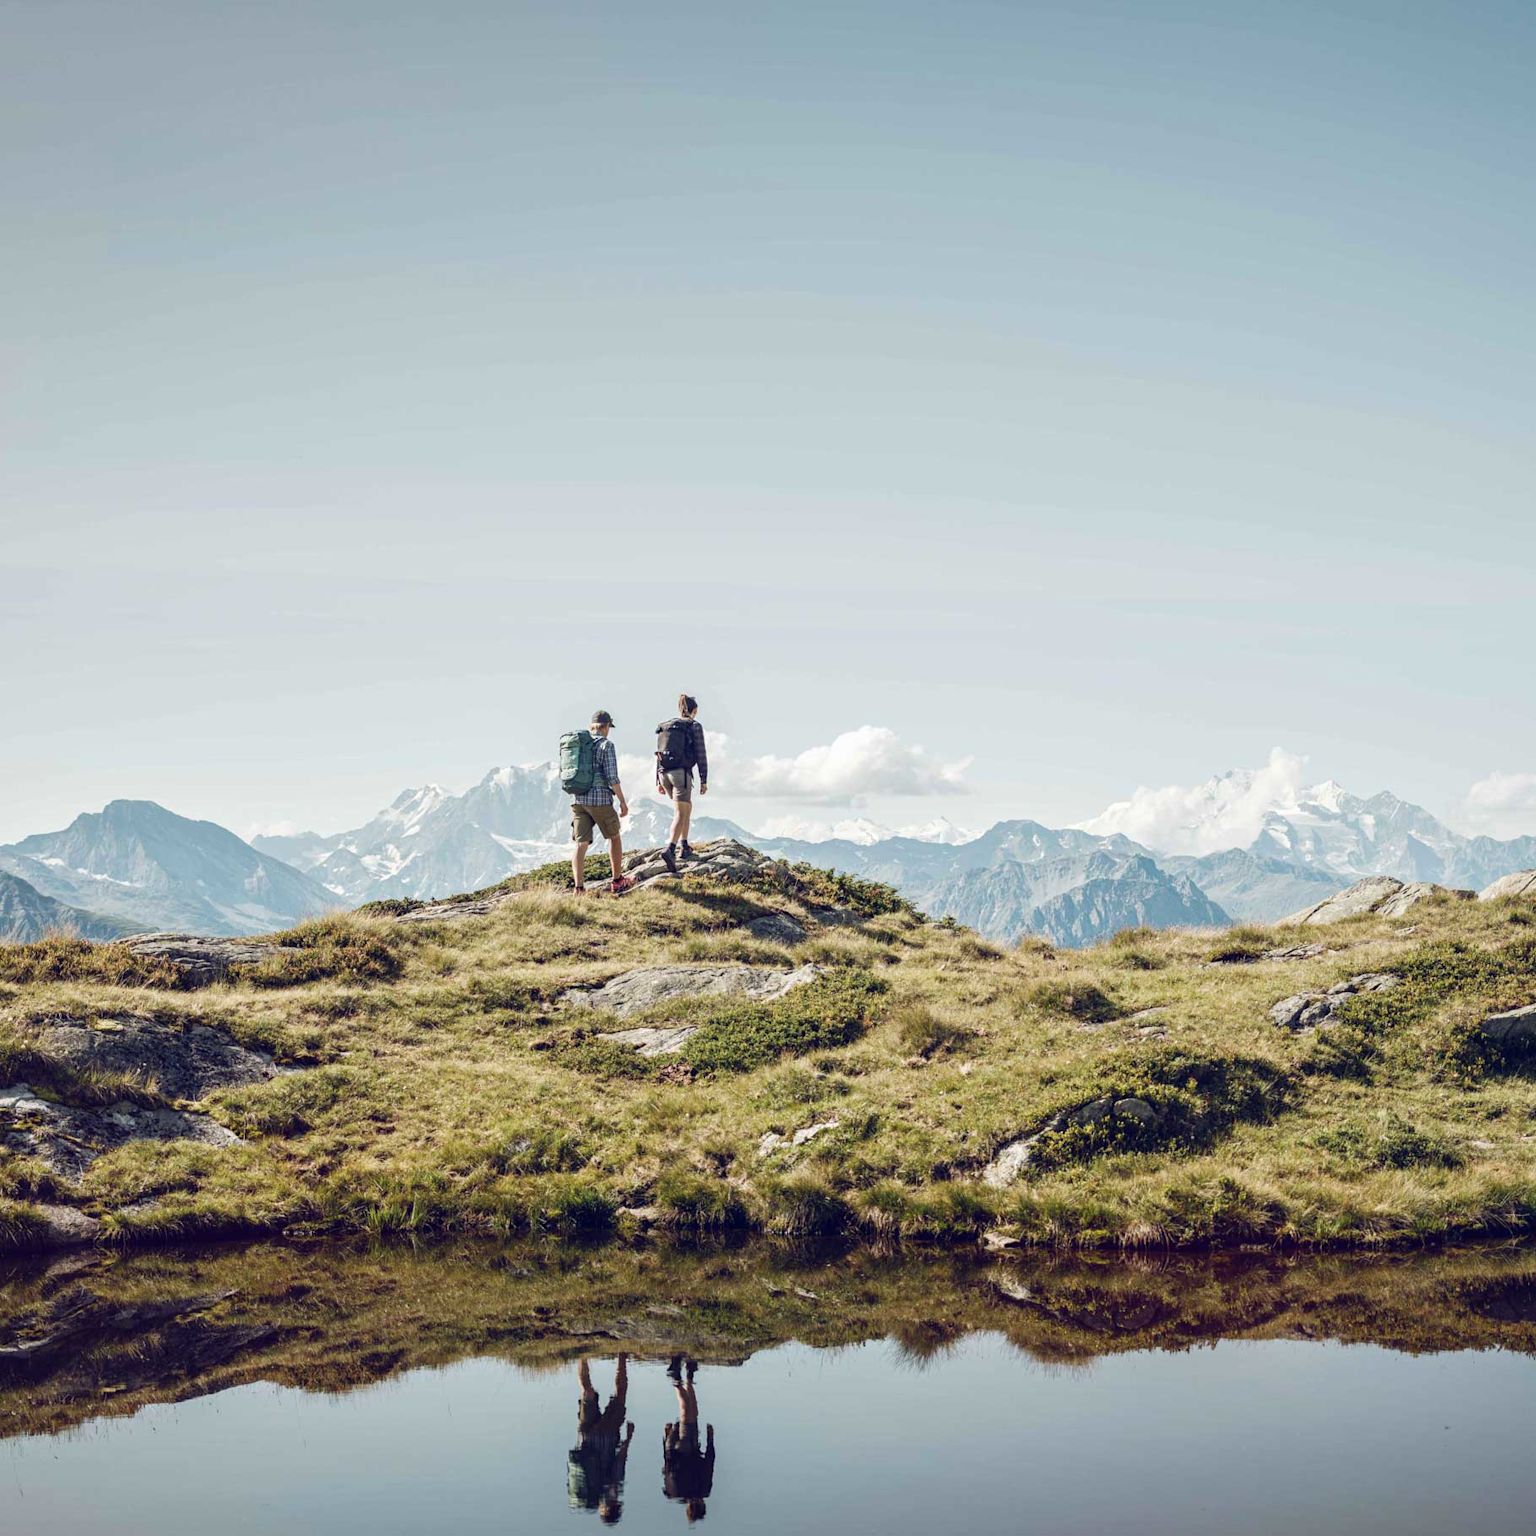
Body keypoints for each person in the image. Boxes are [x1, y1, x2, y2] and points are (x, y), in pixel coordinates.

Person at [572, 710, 634, 895]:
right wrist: (622, 801)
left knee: (580, 844)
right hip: (599, 799)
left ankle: (579, 888)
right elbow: (612, 777)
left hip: (578, 799)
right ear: (606, 727)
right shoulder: (606, 745)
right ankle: (617, 881)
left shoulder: (579, 745)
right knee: (614, 836)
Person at [568, 1354, 635, 1524]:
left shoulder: (610, 1491)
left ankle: (622, 1355)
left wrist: (629, 1437)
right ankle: (582, 1355)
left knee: (620, 1395)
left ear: (615, 1508)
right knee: (587, 1392)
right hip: (587, 1437)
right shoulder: (589, 1495)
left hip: (607, 1435)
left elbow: (620, 1460)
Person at [655, 695, 709, 876]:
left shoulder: (667, 727)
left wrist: (658, 780)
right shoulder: (693, 726)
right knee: (680, 812)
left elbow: (659, 754)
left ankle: (684, 845)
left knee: (686, 808)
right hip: (681, 775)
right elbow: (701, 753)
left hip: (664, 774)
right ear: (695, 711)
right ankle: (670, 849)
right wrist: (704, 779)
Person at [662, 1354, 715, 1523]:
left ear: (701, 1505)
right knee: (692, 1411)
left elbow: (709, 1463)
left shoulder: (702, 1490)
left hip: (685, 1447)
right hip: (675, 1447)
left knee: (687, 1411)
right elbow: (666, 1466)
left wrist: (710, 1438)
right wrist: (666, 1437)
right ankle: (689, 1374)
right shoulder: (674, 1493)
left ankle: (676, 1377)